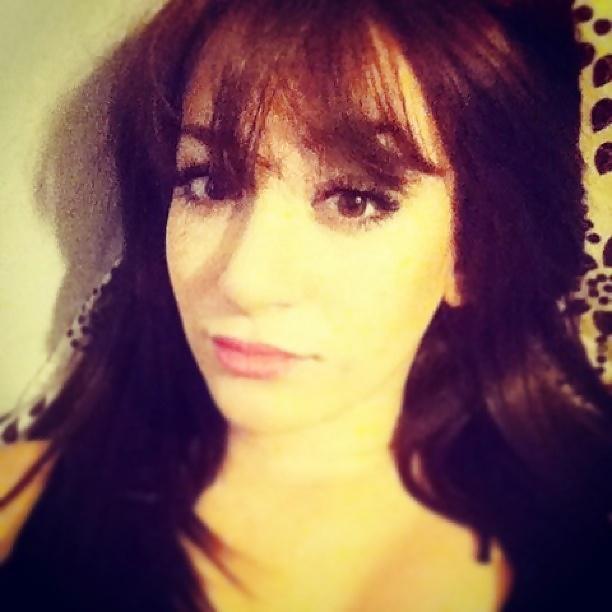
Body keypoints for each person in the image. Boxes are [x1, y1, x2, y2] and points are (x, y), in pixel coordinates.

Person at [1, 0, 611, 610]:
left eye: (354, 200)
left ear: (472, 253)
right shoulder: (21, 500)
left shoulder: (583, 541)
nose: (245, 280)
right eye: (209, 182)